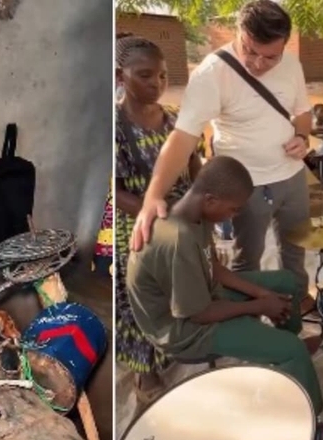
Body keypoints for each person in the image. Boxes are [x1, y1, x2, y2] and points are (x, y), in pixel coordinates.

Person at [129, 0, 318, 313]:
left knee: (296, 247)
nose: (258, 63)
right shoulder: (213, 73)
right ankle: (254, 323)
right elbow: (183, 137)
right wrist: (153, 196)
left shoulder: (291, 65)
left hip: (292, 177)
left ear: (284, 44)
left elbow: (302, 112)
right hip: (248, 188)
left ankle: (296, 303)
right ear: (238, 32)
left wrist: (301, 136)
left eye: (270, 56)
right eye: (250, 50)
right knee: (248, 260)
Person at [126, 155, 323, 416]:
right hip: (184, 331)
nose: (235, 215)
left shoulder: (194, 213)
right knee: (293, 350)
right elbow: (199, 313)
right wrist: (260, 305)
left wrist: (261, 293)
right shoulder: (178, 239)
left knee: (286, 283)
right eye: (233, 209)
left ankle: (286, 347)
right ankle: (312, 417)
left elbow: (214, 268)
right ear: (210, 200)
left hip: (202, 297)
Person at [114, 35, 202, 399]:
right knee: (141, 301)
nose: (157, 84)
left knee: (176, 292)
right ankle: (144, 371)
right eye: (145, 75)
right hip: (139, 225)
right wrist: (157, 215)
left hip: (181, 221)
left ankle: (170, 346)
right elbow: (116, 192)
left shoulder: (175, 121)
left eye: (163, 76)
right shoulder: (116, 128)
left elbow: (195, 166)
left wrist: (200, 209)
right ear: (121, 75)